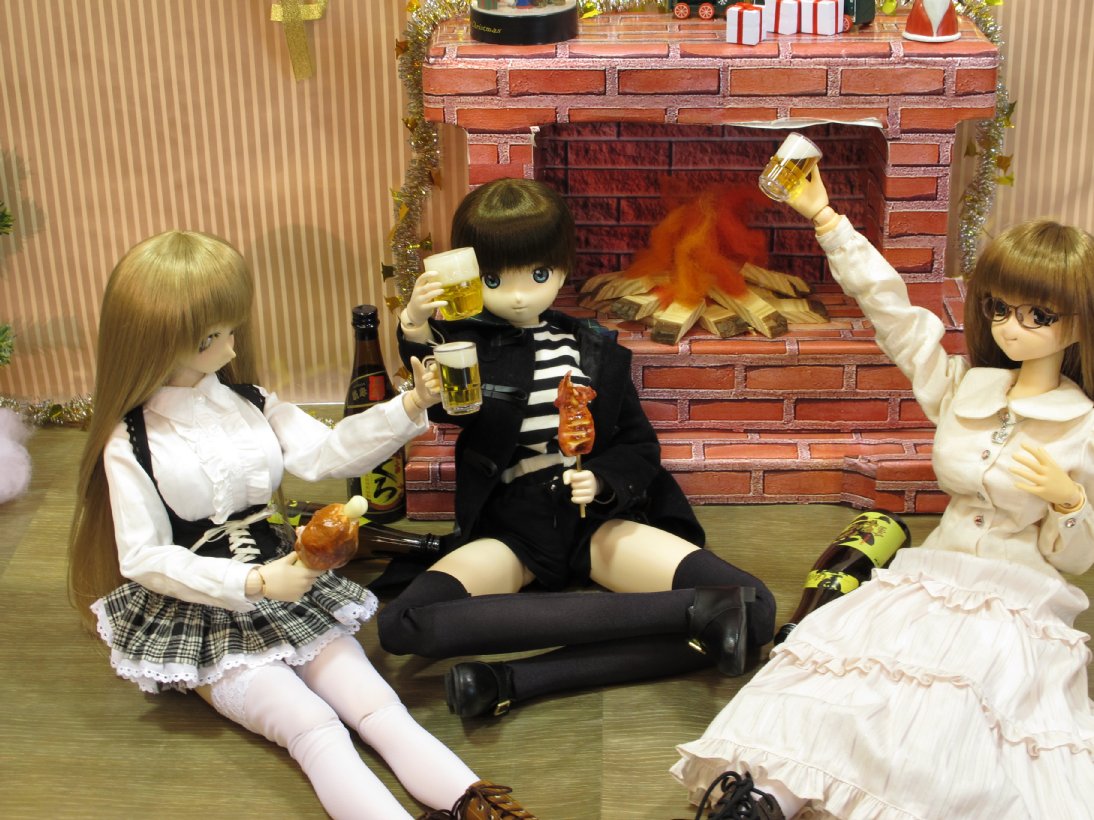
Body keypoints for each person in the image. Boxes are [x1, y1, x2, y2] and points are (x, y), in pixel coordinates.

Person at [67, 230, 534, 820]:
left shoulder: (250, 402)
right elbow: (143, 556)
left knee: (378, 707)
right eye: (214, 335)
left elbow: (328, 453)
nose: (233, 344)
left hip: (292, 585)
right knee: (314, 728)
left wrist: (410, 405)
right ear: (160, 340)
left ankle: (482, 808)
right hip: (203, 611)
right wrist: (252, 583)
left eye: (231, 327)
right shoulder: (131, 440)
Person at [672, 167, 1094, 819]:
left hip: (1016, 598)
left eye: (1038, 315)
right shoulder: (967, 387)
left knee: (952, 706)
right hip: (931, 574)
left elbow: (1077, 559)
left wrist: (1069, 502)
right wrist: (826, 219)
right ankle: (769, 796)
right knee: (846, 669)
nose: (1012, 328)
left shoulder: (1082, 426)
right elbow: (896, 316)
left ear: (1078, 323)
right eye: (1000, 308)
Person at [377, 177, 776, 718]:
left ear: (562, 268)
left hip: (594, 522)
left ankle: (512, 680)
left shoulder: (593, 350)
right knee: (401, 624)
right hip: (514, 530)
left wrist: (604, 479)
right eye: (495, 279)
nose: (519, 295)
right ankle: (695, 614)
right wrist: (415, 325)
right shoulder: (468, 348)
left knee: (757, 606)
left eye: (538, 275)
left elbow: (638, 443)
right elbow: (449, 403)